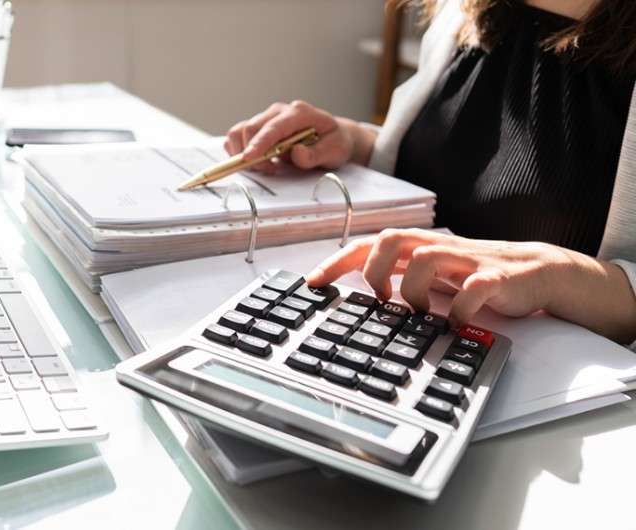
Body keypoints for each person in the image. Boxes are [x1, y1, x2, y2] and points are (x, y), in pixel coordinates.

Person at [224, 0, 636, 347]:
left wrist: (553, 275)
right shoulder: (462, 10)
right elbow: (453, 170)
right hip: (405, 331)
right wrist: (352, 140)